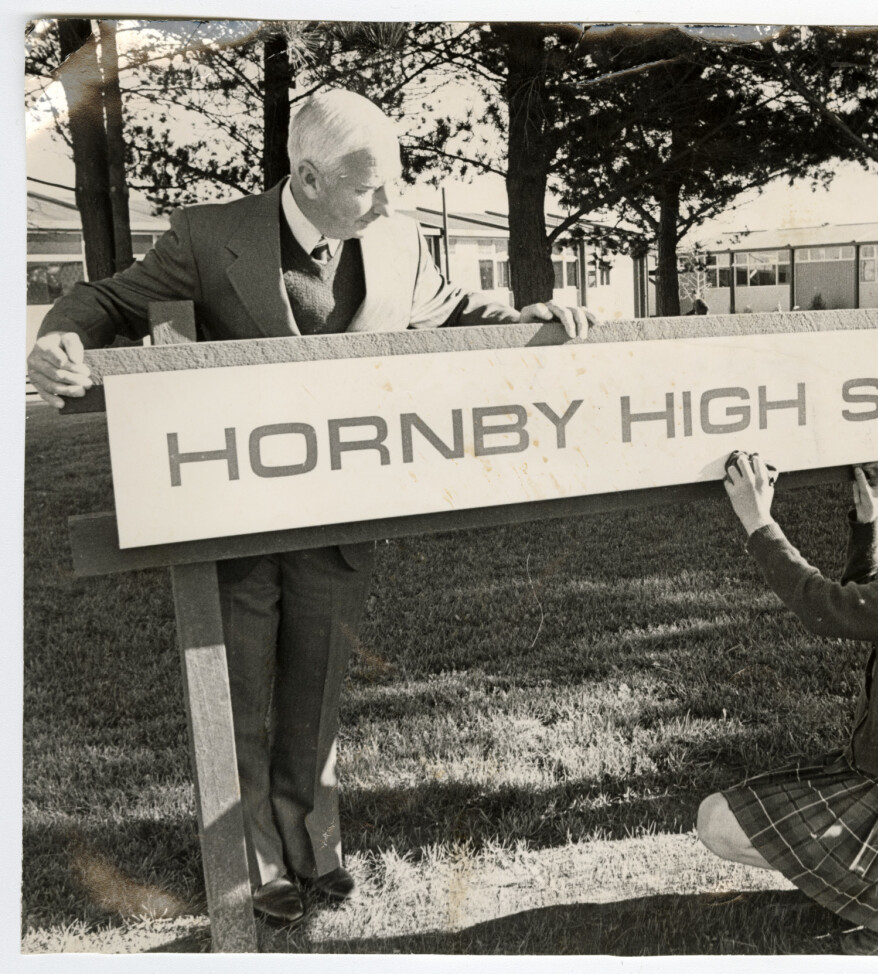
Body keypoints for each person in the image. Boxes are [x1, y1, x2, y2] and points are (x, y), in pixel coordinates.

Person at [26, 88, 595, 926]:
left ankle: (314, 850)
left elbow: (452, 312)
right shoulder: (208, 235)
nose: (391, 202)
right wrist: (57, 336)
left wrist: (528, 316)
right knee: (243, 689)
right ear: (308, 175)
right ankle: (257, 865)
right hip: (235, 515)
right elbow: (107, 299)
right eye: (371, 187)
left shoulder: (398, 240)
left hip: (343, 515)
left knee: (315, 685)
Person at [697, 438, 878, 956]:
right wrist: (867, 524)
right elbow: (873, 596)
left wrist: (758, 523)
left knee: (718, 824)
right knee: (715, 817)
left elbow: (831, 609)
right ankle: (875, 893)